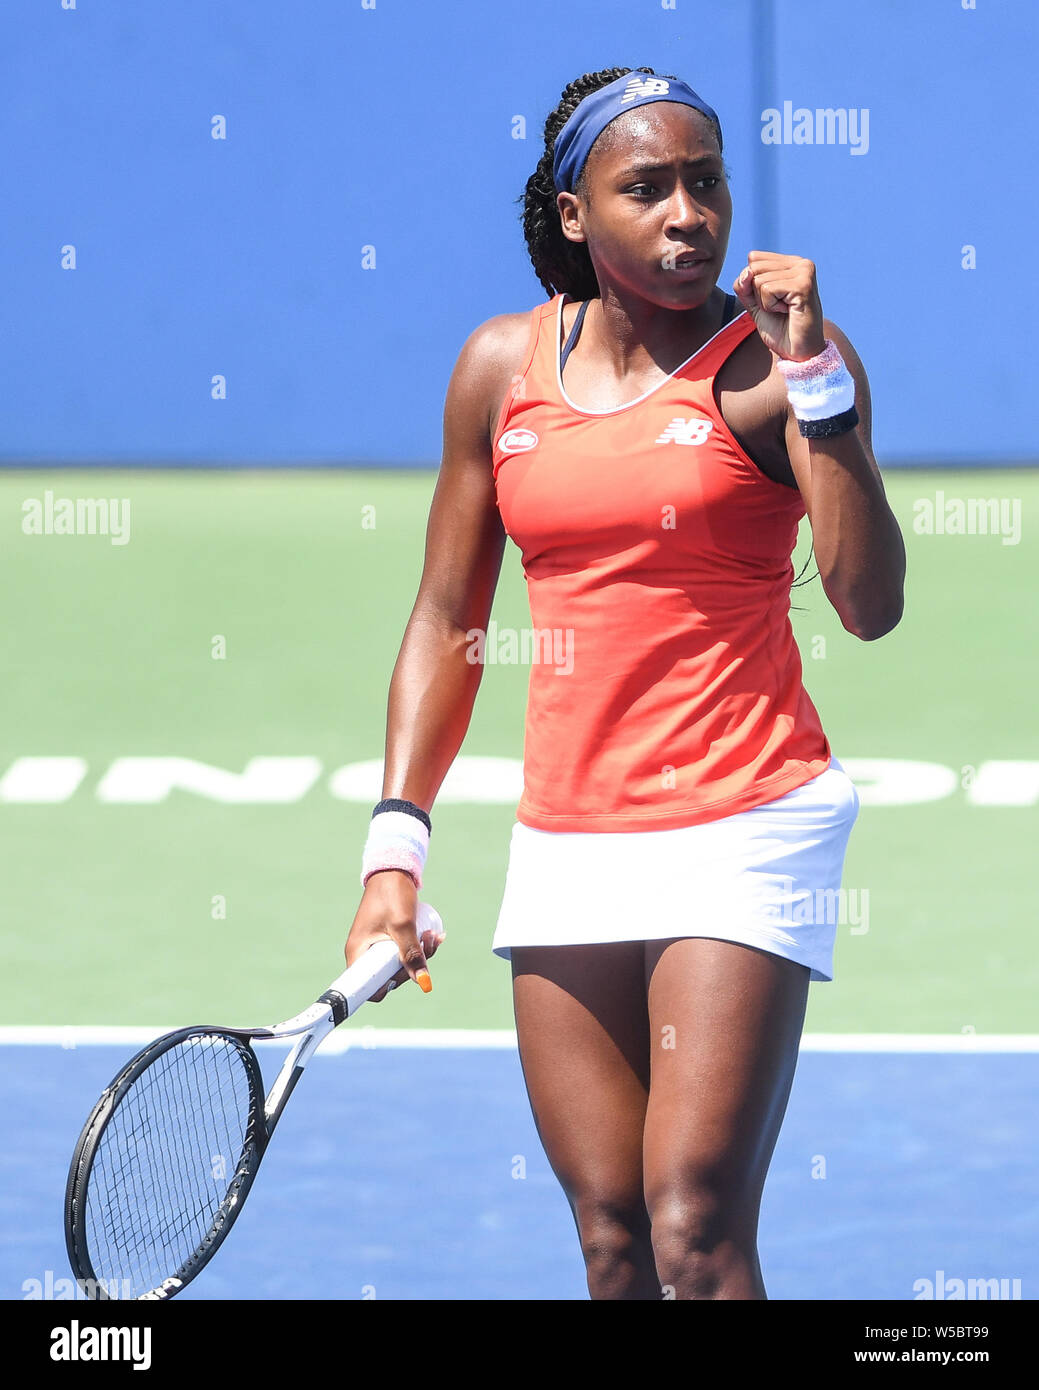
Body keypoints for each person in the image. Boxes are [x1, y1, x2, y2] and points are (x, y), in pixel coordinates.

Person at [344, 65, 905, 1300]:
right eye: (644, 189)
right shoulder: (500, 367)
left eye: (703, 182)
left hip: (746, 813)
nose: (687, 215)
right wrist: (396, 852)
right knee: (612, 1239)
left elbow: (867, 604)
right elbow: (448, 618)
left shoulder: (776, 366)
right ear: (572, 215)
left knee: (693, 1227)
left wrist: (818, 380)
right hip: (568, 837)